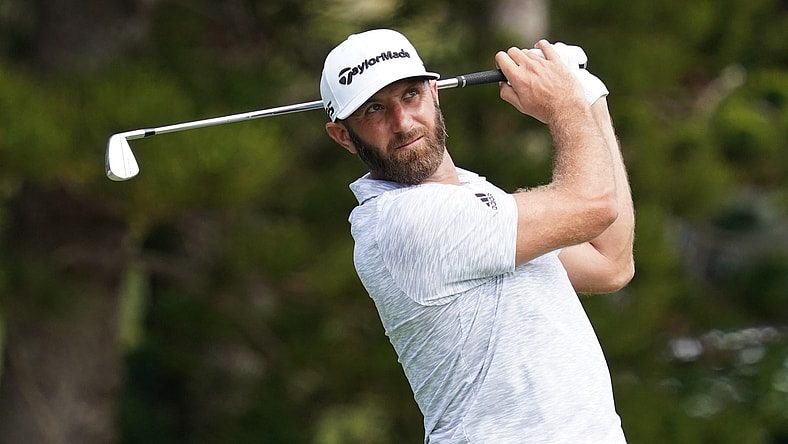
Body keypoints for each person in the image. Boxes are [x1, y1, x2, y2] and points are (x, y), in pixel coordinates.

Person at [319, 28, 635, 444]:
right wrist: (565, 105)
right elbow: (593, 206)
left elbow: (609, 261)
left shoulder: (477, 198)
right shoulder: (403, 221)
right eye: (374, 110)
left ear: (435, 93)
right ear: (343, 134)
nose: (402, 123)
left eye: (410, 95)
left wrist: (591, 100)